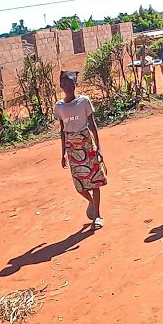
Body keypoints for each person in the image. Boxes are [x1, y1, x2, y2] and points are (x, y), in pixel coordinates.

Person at [55, 71, 108, 229]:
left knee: (95, 181)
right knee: (79, 185)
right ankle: (91, 203)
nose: (67, 86)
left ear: (75, 84)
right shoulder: (60, 106)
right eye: (64, 83)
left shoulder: (84, 101)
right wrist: (63, 152)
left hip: (86, 142)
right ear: (61, 86)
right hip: (72, 146)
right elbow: (62, 130)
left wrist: (98, 147)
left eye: (70, 82)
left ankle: (97, 216)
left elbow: (92, 124)